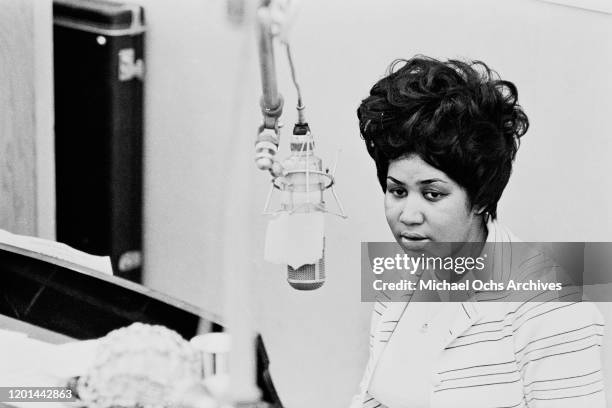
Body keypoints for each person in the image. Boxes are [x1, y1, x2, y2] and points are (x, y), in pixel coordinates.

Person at [351, 56, 606, 408]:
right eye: (397, 191)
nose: (407, 215)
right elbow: (372, 398)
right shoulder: (397, 279)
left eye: (432, 194)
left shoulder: (552, 310)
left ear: (481, 198)